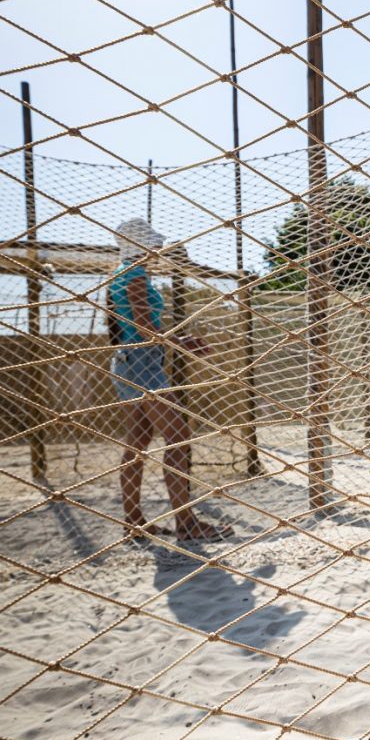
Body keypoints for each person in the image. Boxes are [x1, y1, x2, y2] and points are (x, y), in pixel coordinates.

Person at [108, 217, 230, 543]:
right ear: (140, 245)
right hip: (142, 364)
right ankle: (186, 523)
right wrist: (183, 343)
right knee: (178, 437)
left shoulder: (123, 273)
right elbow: (147, 329)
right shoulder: (133, 276)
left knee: (138, 442)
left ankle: (134, 522)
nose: (158, 249)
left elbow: (140, 327)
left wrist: (175, 340)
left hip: (128, 361)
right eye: (153, 243)